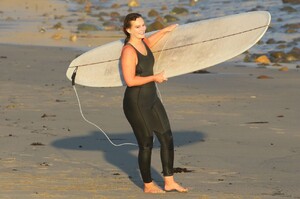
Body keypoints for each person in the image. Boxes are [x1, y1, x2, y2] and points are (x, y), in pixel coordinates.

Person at [121, 13, 188, 194]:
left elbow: (150, 42)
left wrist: (164, 31)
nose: (142, 29)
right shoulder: (128, 51)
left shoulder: (143, 43)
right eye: (137, 27)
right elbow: (130, 80)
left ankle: (169, 181)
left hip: (151, 98)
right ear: (128, 30)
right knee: (146, 143)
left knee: (167, 137)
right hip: (136, 102)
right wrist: (155, 77)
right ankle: (148, 185)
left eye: (143, 25)